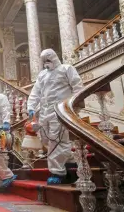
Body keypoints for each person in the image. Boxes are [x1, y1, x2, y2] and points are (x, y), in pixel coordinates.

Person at [27, 49, 83, 185]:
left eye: (48, 59)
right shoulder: (42, 75)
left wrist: (75, 107)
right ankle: (69, 160)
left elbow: (78, 87)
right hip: (44, 112)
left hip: (61, 111)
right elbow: (35, 92)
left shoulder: (67, 69)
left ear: (54, 57)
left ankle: (57, 172)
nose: (46, 62)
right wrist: (31, 107)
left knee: (56, 140)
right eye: (44, 60)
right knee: (46, 139)